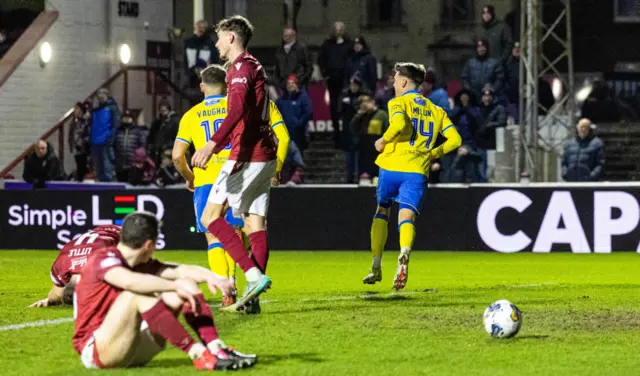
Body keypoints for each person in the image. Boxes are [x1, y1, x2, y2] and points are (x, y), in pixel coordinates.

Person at [72, 212, 256, 370]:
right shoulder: (103, 259)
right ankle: (199, 354)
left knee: (187, 284)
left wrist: (212, 276)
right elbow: (129, 282)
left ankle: (217, 349)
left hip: (130, 345)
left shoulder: (139, 262)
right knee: (134, 296)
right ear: (149, 245)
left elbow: (180, 270)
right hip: (97, 350)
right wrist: (174, 285)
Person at [178, 55, 290, 313]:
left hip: (215, 174)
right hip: (255, 165)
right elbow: (283, 138)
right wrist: (278, 168)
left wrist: (190, 177)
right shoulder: (260, 103)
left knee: (212, 230)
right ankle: (252, 286)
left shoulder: (195, 114)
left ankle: (230, 286)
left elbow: (176, 155)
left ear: (202, 86)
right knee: (252, 229)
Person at [362, 63, 461, 290]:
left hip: (391, 166)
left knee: (382, 211)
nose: (394, 83)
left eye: (396, 80)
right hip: (417, 170)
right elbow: (455, 140)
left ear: (405, 82)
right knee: (406, 217)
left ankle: (376, 265)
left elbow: (398, 123)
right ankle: (404, 252)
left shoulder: (398, 102)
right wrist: (433, 153)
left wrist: (383, 140)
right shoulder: (437, 111)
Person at [30, 225, 121, 308]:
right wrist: (49, 300)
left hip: (121, 234)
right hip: (99, 234)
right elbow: (55, 296)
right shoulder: (60, 267)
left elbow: (55, 296)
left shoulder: (101, 262)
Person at [318, 21, 353, 148]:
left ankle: (346, 132)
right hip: (332, 79)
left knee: (345, 105)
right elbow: (321, 59)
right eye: (336, 29)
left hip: (345, 80)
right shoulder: (327, 44)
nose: (338, 31)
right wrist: (325, 73)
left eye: (340, 29)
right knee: (333, 107)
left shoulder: (349, 44)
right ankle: (336, 132)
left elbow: (352, 60)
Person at [349, 95, 388, 181]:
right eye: (362, 106)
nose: (365, 107)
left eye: (366, 104)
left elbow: (387, 130)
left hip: (377, 147)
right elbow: (353, 128)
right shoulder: (362, 116)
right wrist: (359, 115)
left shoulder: (382, 114)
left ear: (373, 103)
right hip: (364, 146)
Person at [276, 74, 312, 153]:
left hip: (298, 132)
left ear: (296, 85)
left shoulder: (302, 97)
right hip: (285, 131)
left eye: (292, 83)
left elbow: (308, 111)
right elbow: (275, 112)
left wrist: (299, 122)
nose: (290, 85)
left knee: (298, 154)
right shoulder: (282, 99)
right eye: (288, 83)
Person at [91, 88, 120, 182]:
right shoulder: (96, 109)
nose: (100, 95)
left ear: (107, 95)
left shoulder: (112, 108)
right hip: (95, 142)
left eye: (102, 93)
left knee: (107, 169)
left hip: (105, 143)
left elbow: (116, 125)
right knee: (99, 170)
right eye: (98, 93)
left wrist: (110, 139)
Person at [462, 39, 504, 104]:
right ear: (476, 49)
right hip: (473, 97)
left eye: (483, 47)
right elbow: (464, 78)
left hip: (489, 98)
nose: (481, 49)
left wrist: (492, 90)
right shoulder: (470, 63)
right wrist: (469, 90)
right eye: (479, 47)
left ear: (487, 48)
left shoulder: (494, 63)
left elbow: (500, 79)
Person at [114, 110, 147, 183]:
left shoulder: (138, 131)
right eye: (125, 118)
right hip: (120, 163)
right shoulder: (118, 131)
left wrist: (139, 159)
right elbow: (113, 145)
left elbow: (142, 146)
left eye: (129, 118)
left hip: (133, 163)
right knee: (121, 183)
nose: (126, 119)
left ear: (132, 119)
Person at [69, 101, 92, 181]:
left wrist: (84, 143)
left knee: (82, 166)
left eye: (77, 108)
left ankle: (83, 180)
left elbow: (87, 132)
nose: (75, 110)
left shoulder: (85, 120)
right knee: (79, 164)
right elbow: (72, 133)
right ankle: (80, 179)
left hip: (82, 147)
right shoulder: (74, 120)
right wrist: (71, 144)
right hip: (76, 146)